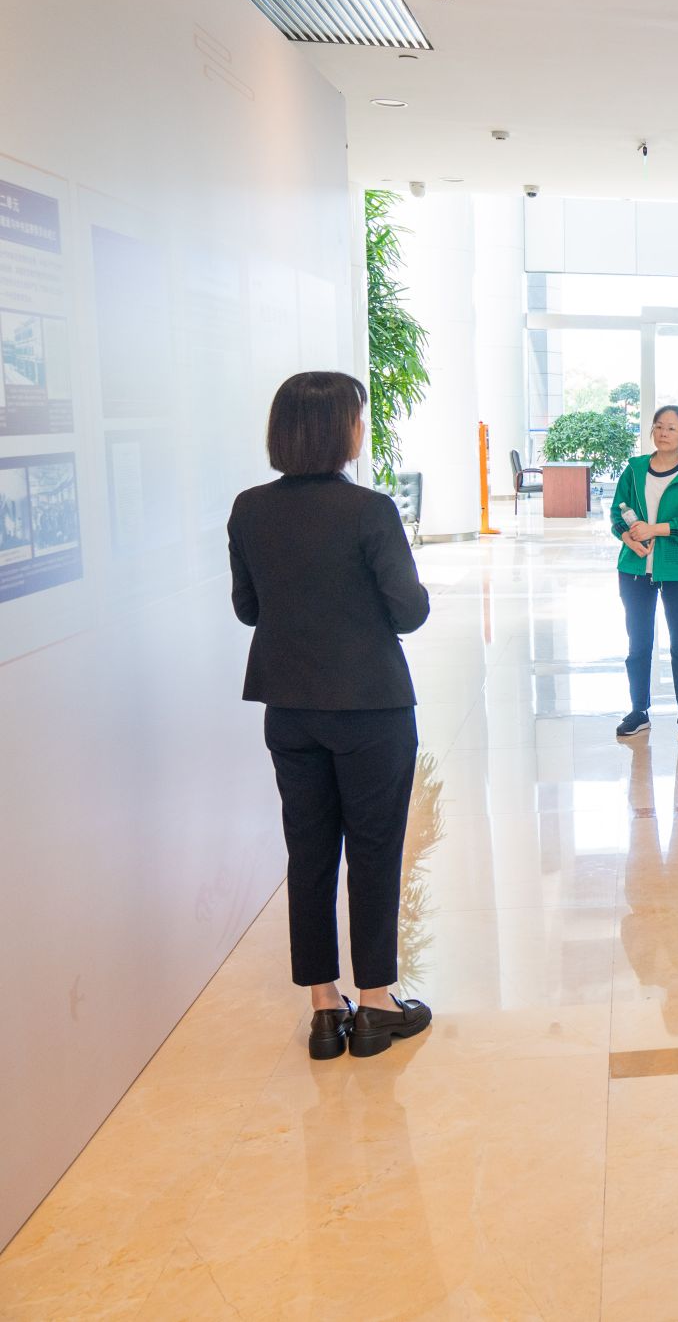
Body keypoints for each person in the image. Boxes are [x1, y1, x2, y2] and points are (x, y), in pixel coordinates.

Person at [228, 371, 433, 1060]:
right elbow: (409, 611)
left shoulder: (250, 509)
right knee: (374, 849)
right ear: (339, 429)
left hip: (289, 706)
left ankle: (323, 1007)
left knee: (309, 852)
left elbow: (248, 608)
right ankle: (375, 1003)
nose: (361, 429)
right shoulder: (370, 511)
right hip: (371, 705)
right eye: (357, 418)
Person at [611, 404, 678, 738]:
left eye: (671, 428)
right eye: (658, 426)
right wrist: (628, 537)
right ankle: (639, 710)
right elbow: (617, 512)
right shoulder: (635, 469)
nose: (663, 433)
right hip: (635, 566)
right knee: (638, 643)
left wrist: (653, 529)